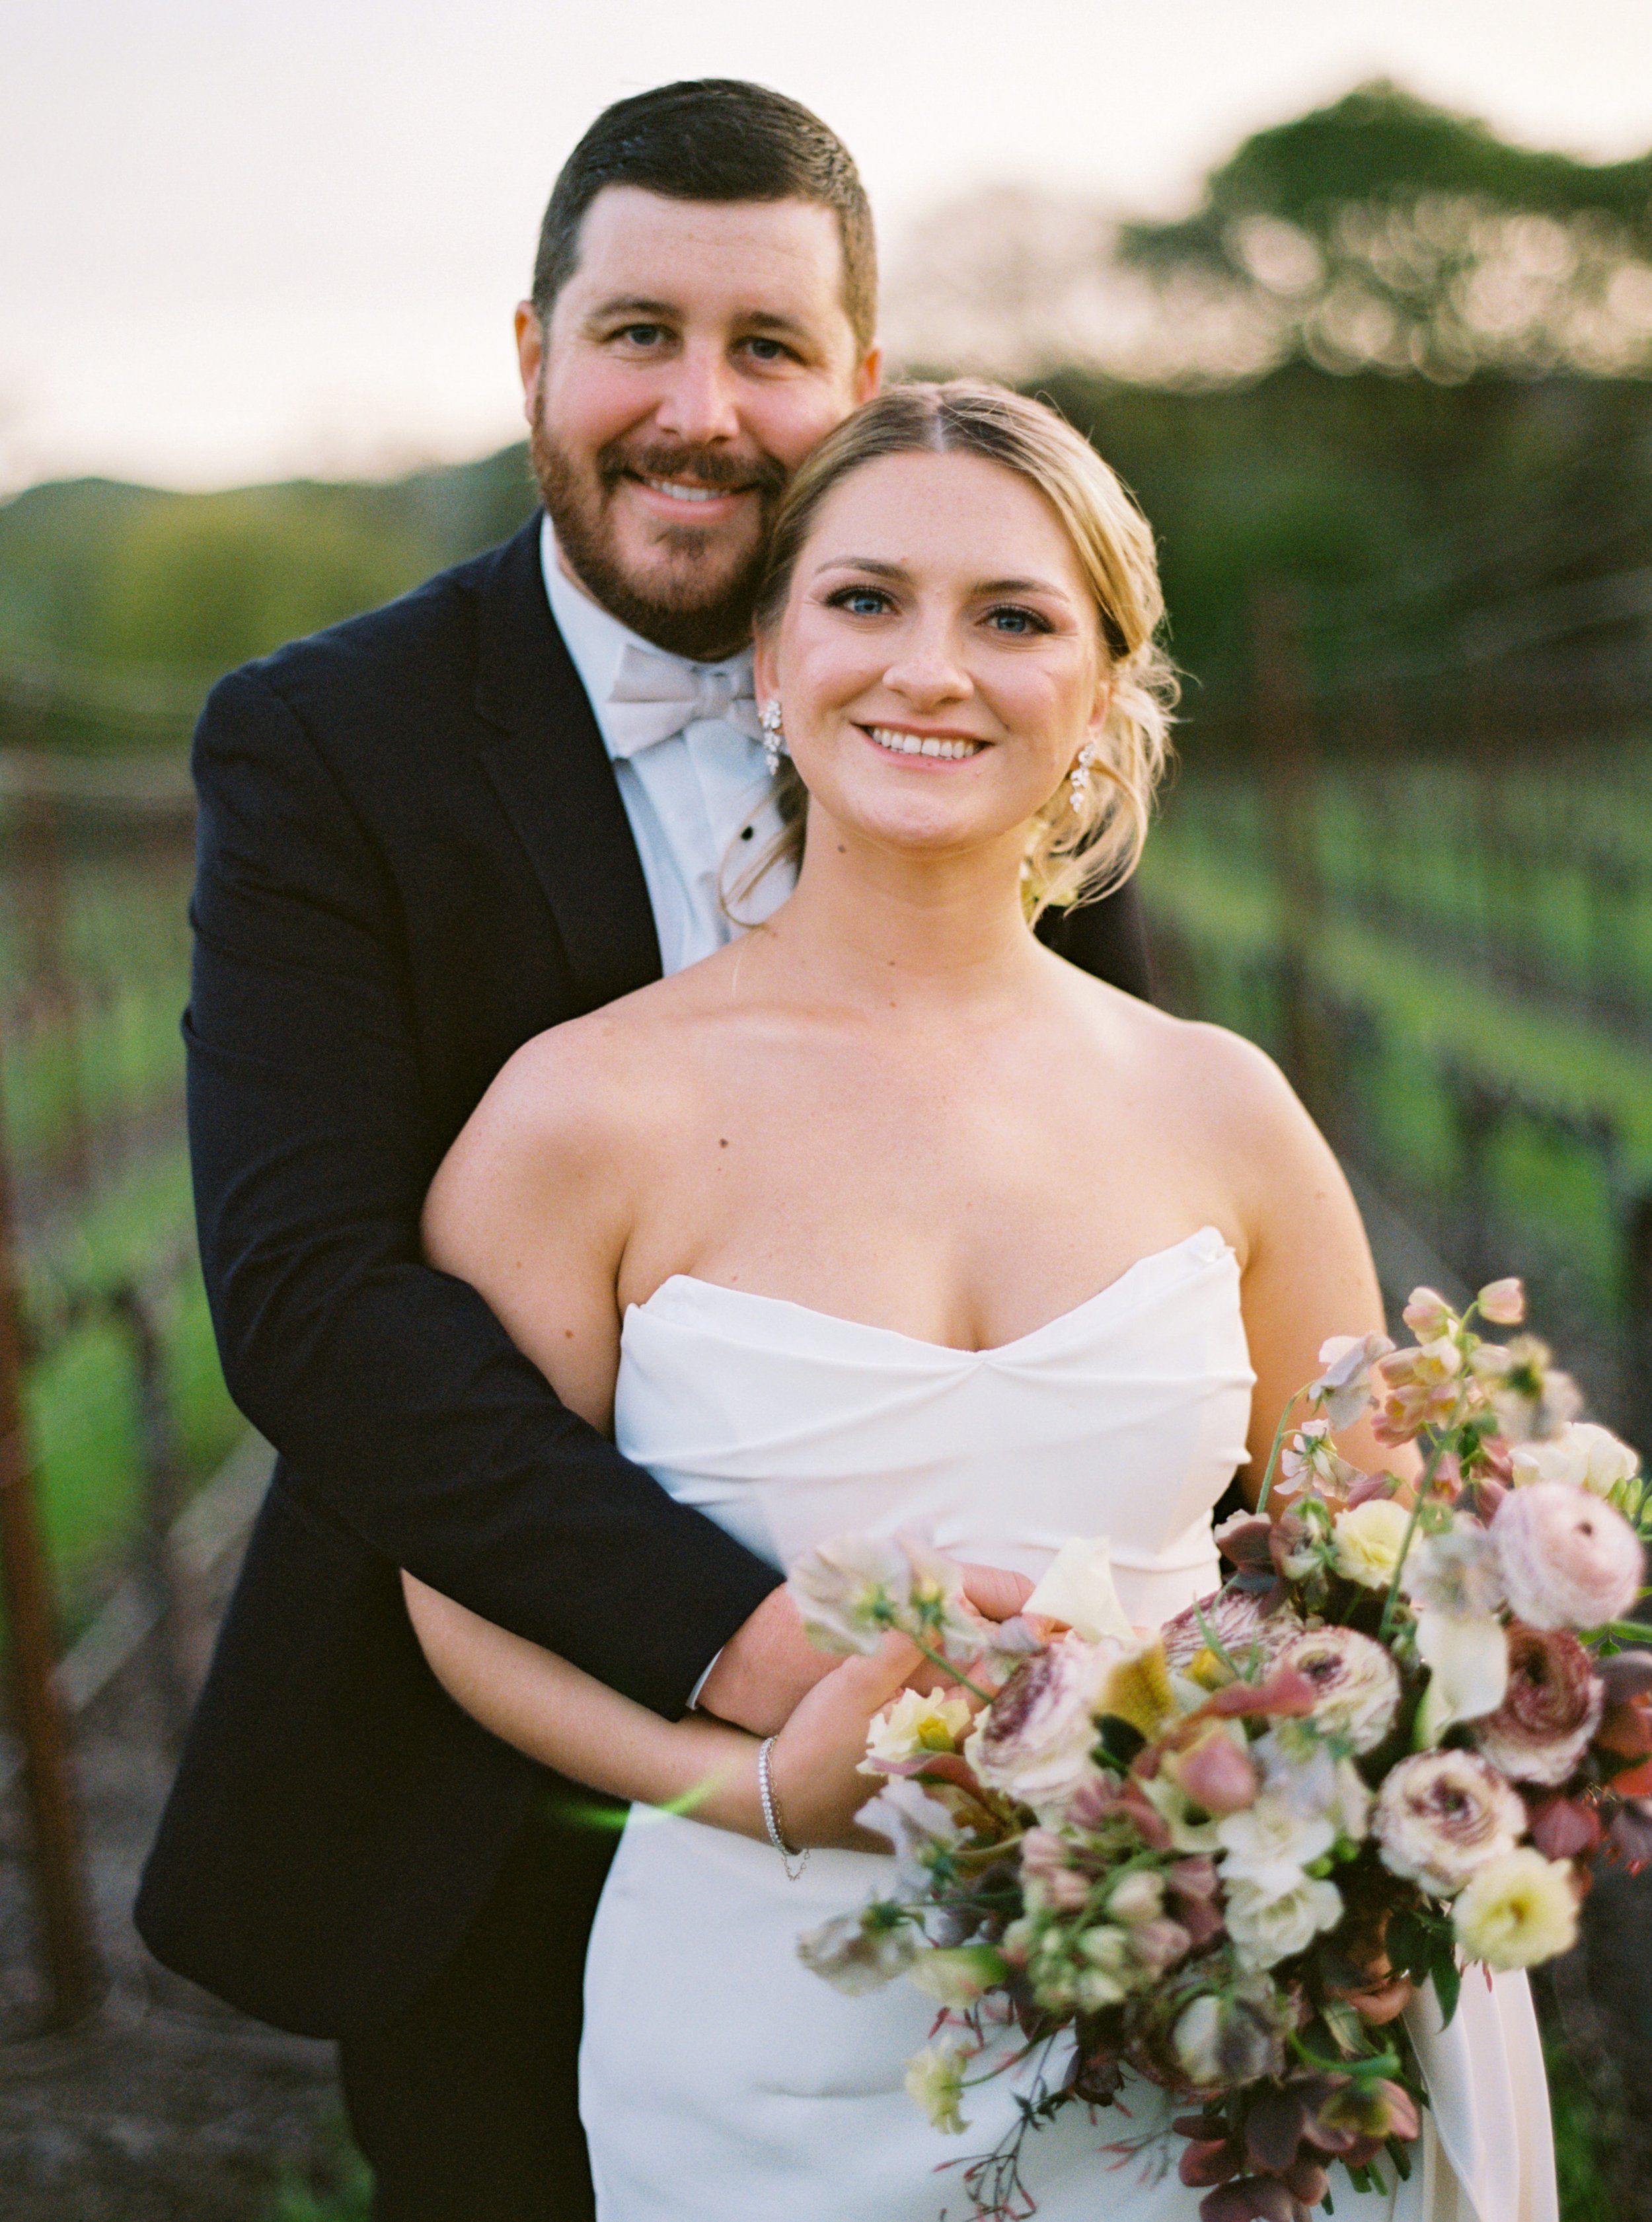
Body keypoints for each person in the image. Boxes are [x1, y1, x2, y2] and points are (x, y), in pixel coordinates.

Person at [134, 81, 1152, 2222]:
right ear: (532, 354)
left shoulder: (975, 712)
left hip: (1016, 1793)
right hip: (487, 1813)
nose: (697, 409)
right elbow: (312, 1303)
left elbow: (1114, 1167)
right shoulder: (327, 742)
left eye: (768, 349)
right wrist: (755, 1658)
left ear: (859, 381)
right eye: (637, 334)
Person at [402, 381, 1558, 2221]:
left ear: (1099, 694)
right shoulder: (575, 1113)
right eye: (863, 601)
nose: (928, 668)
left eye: (1012, 617)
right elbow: (459, 1581)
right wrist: (765, 1788)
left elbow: (1378, 1562)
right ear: (767, 662)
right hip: (760, 2032)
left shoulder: (1221, 1104)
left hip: (1213, 2045)